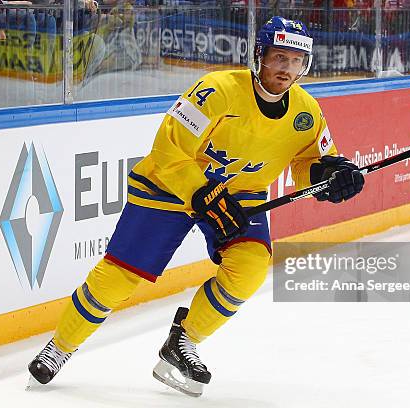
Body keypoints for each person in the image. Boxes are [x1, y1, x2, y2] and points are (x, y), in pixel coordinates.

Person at [26, 16, 365, 397]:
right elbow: (169, 149)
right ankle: (60, 346)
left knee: (251, 266)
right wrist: (201, 191)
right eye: (279, 57)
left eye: (296, 60)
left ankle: (182, 342)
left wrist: (332, 175)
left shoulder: (306, 113)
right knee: (119, 277)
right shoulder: (217, 90)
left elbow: (309, 163)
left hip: (239, 193)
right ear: (259, 56)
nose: (286, 69)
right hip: (169, 184)